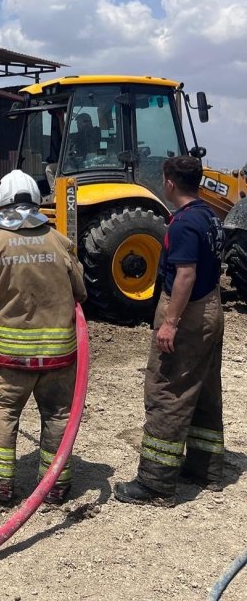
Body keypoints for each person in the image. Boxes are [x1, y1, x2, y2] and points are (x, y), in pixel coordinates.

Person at [0, 170, 87, 506]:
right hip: (60, 354)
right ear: (36, 200)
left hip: (14, 357)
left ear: (2, 202)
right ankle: (55, 487)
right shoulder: (60, 242)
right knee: (58, 414)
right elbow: (80, 291)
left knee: (4, 411)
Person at [115, 155, 225, 506]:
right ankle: (206, 469)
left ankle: (155, 483)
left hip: (188, 314)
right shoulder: (210, 216)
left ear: (170, 182)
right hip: (210, 309)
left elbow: (185, 276)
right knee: (204, 390)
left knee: (168, 391)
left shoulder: (183, 224)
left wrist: (170, 323)